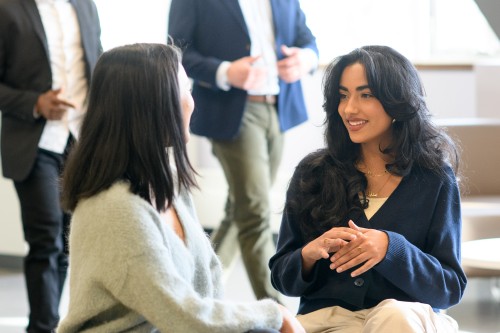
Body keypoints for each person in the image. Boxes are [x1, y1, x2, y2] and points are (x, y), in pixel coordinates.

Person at [57, 43, 304, 333]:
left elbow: (207, 288)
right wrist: (274, 313)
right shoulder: (116, 209)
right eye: (185, 89)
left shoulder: (168, 183)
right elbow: (182, 315)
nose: (192, 102)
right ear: (151, 105)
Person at [268, 45, 468, 332]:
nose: (349, 109)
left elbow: (449, 287)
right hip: (328, 321)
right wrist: (309, 254)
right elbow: (281, 277)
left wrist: (392, 249)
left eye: (366, 95)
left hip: (405, 319)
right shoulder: (314, 173)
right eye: (343, 95)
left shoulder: (434, 178)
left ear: (396, 102)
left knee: (394, 317)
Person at [168, 0, 319, 301]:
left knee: (240, 209)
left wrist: (306, 59)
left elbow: (307, 39)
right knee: (255, 212)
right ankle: (276, 311)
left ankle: (198, 291)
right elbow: (176, 52)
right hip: (232, 110)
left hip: (278, 108)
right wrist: (224, 72)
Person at [0, 0, 102, 331]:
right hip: (36, 143)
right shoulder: (7, 8)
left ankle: (61, 323)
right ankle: (41, 327)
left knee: (71, 243)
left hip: (83, 143)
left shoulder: (85, 5)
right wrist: (34, 103)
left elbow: (98, 61)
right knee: (46, 240)